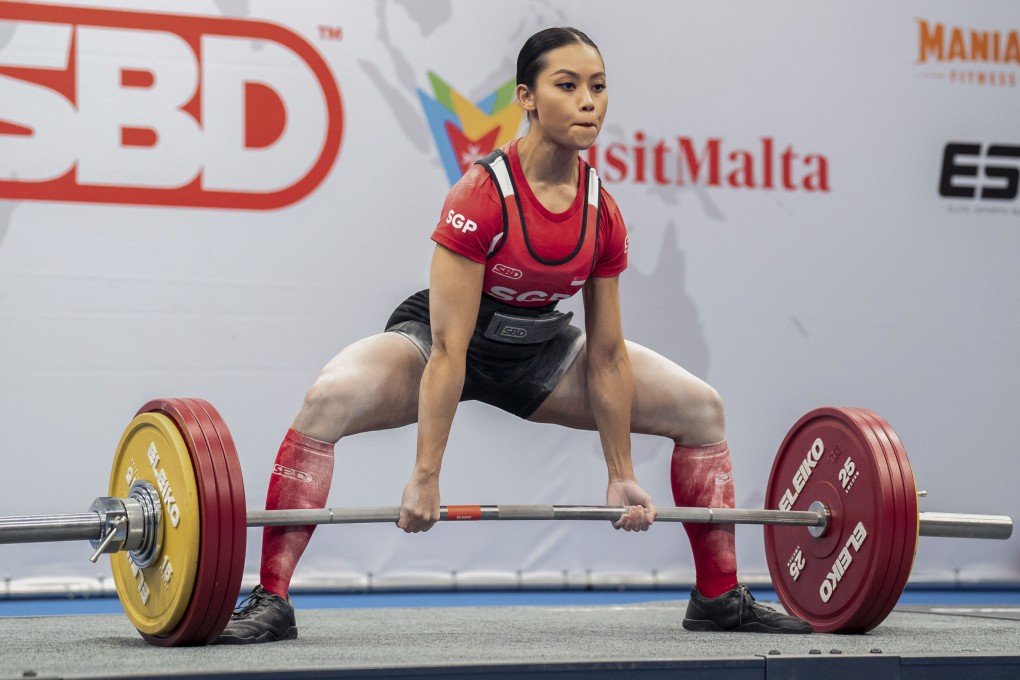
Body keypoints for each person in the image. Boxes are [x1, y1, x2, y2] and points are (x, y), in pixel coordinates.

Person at [217, 26, 811, 644]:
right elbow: (449, 349)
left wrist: (620, 470)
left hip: (537, 353)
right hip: (445, 343)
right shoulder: (482, 195)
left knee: (701, 410)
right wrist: (426, 475)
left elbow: (606, 355)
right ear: (526, 98)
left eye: (599, 87)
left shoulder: (600, 210)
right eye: (568, 85)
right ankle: (272, 598)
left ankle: (718, 598)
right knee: (328, 398)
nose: (589, 102)